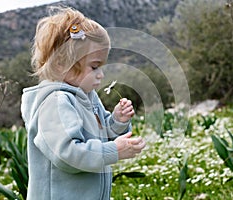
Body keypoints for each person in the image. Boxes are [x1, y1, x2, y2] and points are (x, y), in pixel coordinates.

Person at [20, 6, 146, 200]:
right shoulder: (54, 103)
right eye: (94, 66)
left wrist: (117, 121)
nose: (101, 74)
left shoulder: (88, 96)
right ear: (62, 64)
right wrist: (114, 151)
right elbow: (68, 154)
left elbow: (103, 133)